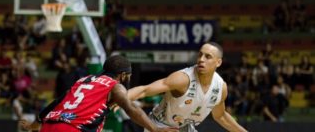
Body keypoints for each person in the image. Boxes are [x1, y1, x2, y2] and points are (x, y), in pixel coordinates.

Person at [19, 55, 178, 132]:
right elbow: (131, 109)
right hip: (73, 128)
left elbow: (56, 103)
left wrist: (34, 125)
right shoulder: (115, 86)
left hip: (49, 125)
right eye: (127, 77)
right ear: (122, 75)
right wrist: (155, 129)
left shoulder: (83, 80)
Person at [128, 42, 248, 132]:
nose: (201, 59)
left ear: (218, 62)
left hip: (184, 128)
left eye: (208, 56)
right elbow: (144, 90)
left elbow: (220, 116)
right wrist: (121, 98)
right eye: (200, 55)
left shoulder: (220, 87)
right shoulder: (182, 79)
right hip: (160, 126)